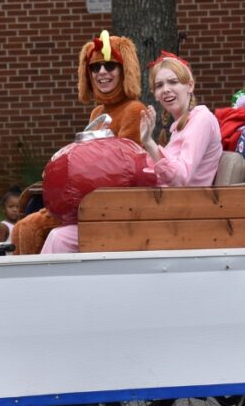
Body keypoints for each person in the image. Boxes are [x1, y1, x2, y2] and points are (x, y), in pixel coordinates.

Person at [41, 52, 222, 253]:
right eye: (160, 85)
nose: (166, 90)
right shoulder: (179, 127)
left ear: (190, 85)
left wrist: (149, 144)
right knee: (66, 227)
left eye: (173, 82)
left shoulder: (201, 119)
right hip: (159, 212)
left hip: (177, 220)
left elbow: (180, 177)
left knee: (62, 237)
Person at [10, 31, 145, 255]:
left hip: (105, 206)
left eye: (110, 66)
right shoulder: (97, 113)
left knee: (29, 229)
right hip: (83, 200)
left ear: (124, 71)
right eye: (95, 67)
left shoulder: (134, 110)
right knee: (22, 227)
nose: (102, 72)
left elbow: (126, 173)